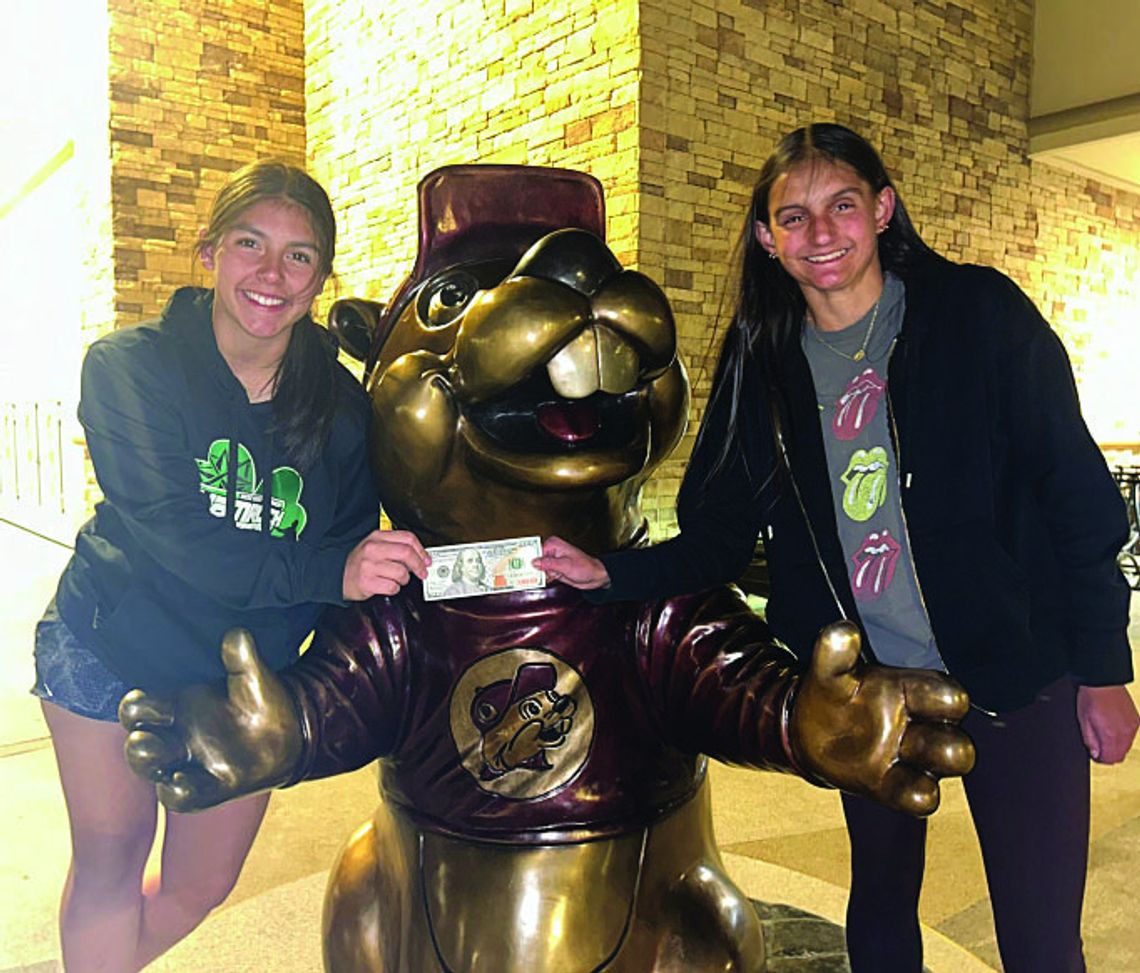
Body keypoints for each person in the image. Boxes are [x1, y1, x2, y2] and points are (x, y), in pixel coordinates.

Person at [537, 123, 1139, 973]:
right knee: (882, 912)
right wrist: (611, 571)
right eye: (793, 216)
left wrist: (1105, 665)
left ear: (883, 209)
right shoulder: (765, 361)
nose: (820, 233)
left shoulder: (978, 315)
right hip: (872, 687)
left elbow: (1075, 495)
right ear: (766, 238)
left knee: (1042, 943)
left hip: (1020, 669)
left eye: (841, 205)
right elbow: (717, 536)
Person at [32, 160, 430, 973]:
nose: (271, 273)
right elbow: (177, 536)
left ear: (320, 277)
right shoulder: (129, 368)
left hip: (244, 677)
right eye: (251, 243)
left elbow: (352, 549)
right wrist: (331, 570)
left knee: (200, 886)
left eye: (299, 255)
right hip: (112, 644)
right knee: (112, 858)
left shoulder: (345, 409)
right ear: (209, 252)